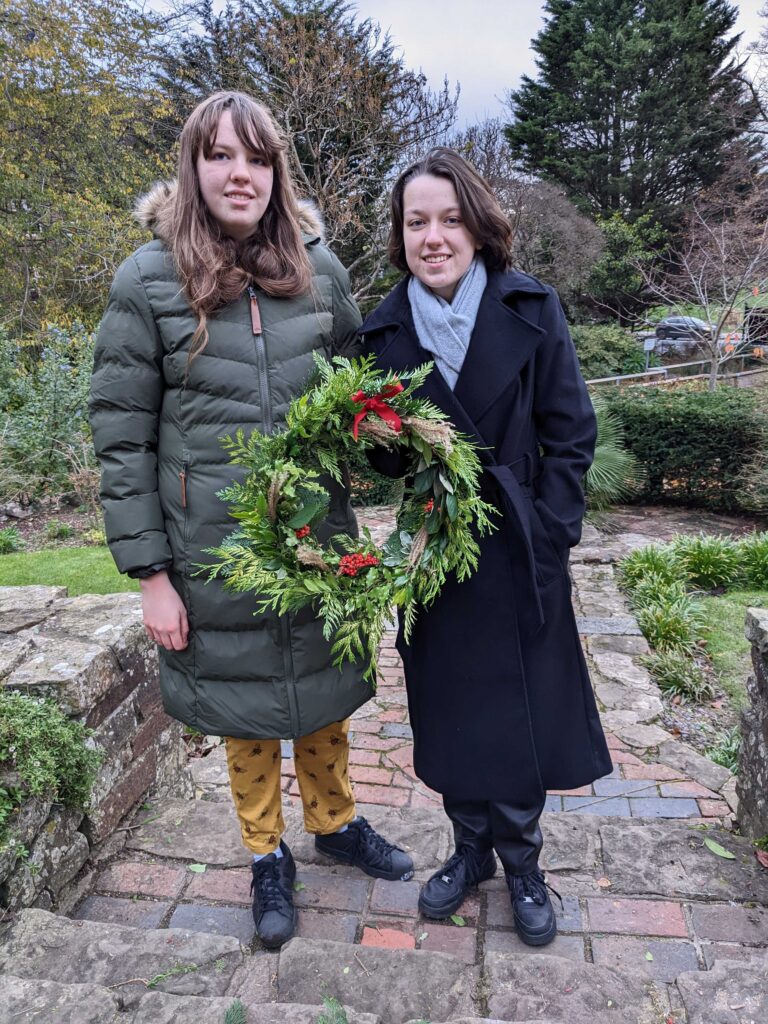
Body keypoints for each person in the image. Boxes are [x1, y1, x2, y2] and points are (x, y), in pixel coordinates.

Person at [90, 91, 413, 950]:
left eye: (259, 157)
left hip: (316, 539)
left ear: (278, 170)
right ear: (192, 167)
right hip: (212, 548)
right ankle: (267, 854)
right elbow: (121, 437)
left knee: (325, 697)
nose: (242, 174)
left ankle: (337, 823)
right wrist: (152, 576)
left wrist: (401, 437)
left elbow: (358, 394)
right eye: (222, 155)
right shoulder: (147, 279)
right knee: (245, 711)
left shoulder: (319, 268)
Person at [360, 148, 612, 947]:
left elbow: (571, 433)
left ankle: (523, 863)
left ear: (477, 223)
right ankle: (470, 851)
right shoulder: (382, 331)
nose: (433, 237)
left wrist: (551, 530)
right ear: (400, 236)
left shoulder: (532, 308)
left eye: (449, 219)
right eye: (415, 222)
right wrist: (375, 437)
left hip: (518, 545)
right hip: (438, 551)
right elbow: (383, 462)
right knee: (452, 705)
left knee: (521, 709)